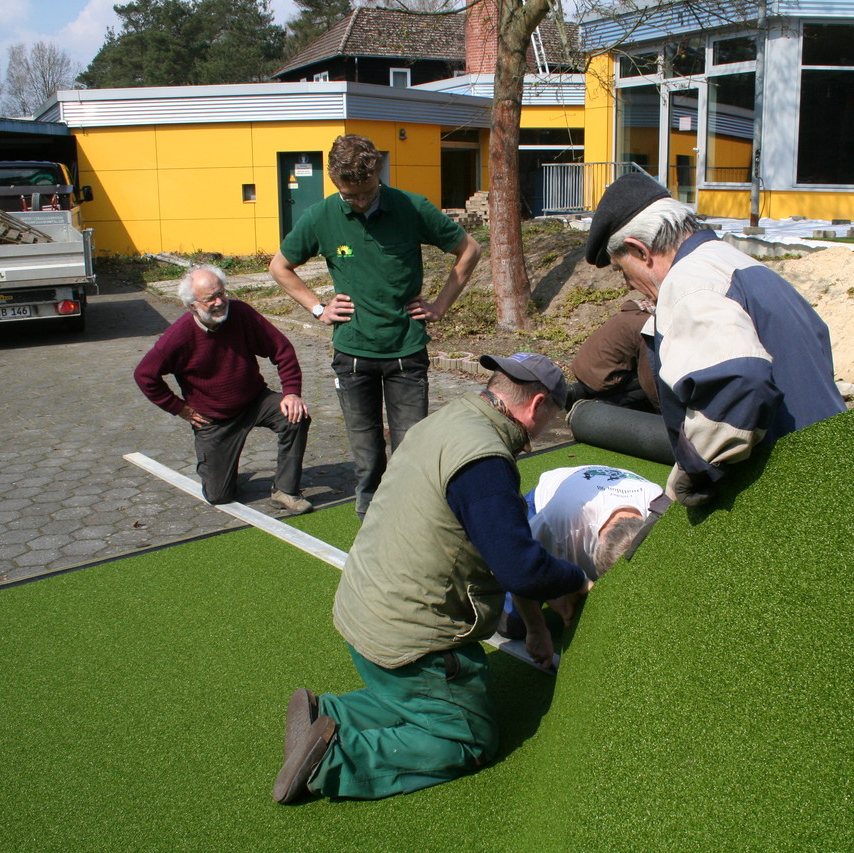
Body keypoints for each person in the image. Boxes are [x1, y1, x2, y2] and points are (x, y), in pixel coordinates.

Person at [272, 353, 591, 805]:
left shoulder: (447, 421)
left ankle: (331, 714)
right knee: (469, 737)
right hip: (409, 639)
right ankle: (336, 757)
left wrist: (537, 625)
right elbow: (519, 565)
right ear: (537, 405)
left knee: (418, 701)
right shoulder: (485, 461)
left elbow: (501, 543)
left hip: (362, 612)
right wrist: (575, 580)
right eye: (551, 417)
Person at [584, 172, 846, 507]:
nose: (627, 284)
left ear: (640, 250)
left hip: (787, 483)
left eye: (623, 270)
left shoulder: (688, 282)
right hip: (833, 463)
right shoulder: (743, 265)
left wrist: (696, 469)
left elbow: (742, 379)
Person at [269, 134, 483, 518]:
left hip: (406, 352)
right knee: (366, 451)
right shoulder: (320, 216)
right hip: (353, 354)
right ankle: (369, 513)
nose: (361, 202)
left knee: (411, 446)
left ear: (378, 175)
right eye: (351, 197)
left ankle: (411, 515)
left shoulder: (410, 207)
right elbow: (279, 267)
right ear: (336, 183)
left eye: (368, 192)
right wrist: (318, 309)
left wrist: (440, 305)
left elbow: (469, 249)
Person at [134, 264, 312, 514]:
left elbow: (282, 349)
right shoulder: (178, 336)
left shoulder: (242, 314)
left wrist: (292, 392)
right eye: (210, 299)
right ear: (192, 305)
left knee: (295, 415)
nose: (220, 302)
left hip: (254, 401)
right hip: (213, 419)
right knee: (219, 496)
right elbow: (144, 375)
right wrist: (179, 408)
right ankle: (217, 467)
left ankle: (285, 490)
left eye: (222, 293)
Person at [499, 464, 665, 643]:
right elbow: (519, 562)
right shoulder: (559, 521)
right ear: (598, 542)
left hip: (600, 485)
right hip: (550, 497)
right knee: (513, 626)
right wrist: (536, 628)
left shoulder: (660, 511)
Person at [566, 298, 660, 412]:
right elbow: (649, 379)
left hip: (582, 370)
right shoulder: (646, 327)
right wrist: (663, 409)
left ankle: (575, 392)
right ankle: (604, 407)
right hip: (601, 380)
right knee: (650, 385)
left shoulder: (629, 314)